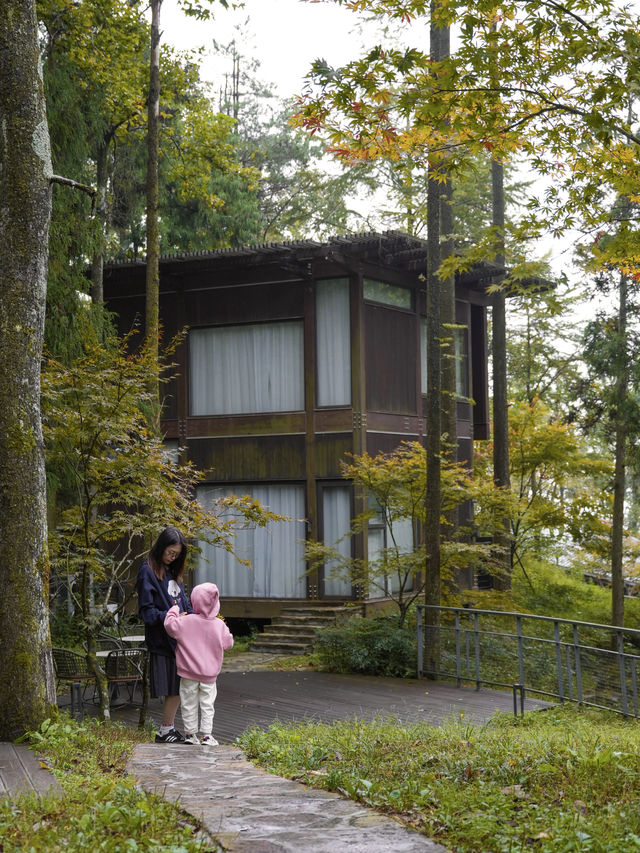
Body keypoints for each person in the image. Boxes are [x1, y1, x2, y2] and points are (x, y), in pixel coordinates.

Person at [137, 526, 192, 744]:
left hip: (181, 638)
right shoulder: (147, 571)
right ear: (161, 547)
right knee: (172, 685)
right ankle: (165, 729)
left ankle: (166, 729)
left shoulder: (173, 572)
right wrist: (171, 616)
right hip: (162, 639)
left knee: (179, 685)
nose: (173, 557)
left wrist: (195, 618)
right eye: (170, 552)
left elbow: (184, 602)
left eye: (177, 554)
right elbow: (146, 612)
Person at [164, 581, 233, 745]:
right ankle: (207, 735)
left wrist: (174, 610)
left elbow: (169, 625)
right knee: (208, 704)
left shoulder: (186, 621)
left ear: (194, 602)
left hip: (188, 673)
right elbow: (228, 644)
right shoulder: (219, 625)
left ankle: (189, 734)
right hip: (209, 675)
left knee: (188, 703)